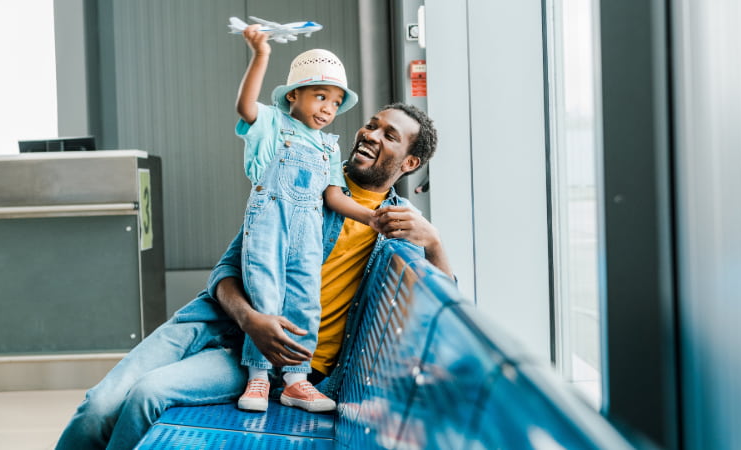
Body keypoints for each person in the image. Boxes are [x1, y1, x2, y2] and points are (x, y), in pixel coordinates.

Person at [54, 102, 451, 450]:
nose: (369, 134)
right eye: (372, 124)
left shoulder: (398, 228)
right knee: (99, 405)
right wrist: (250, 319)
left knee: (147, 394)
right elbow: (226, 270)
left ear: (410, 163)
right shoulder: (301, 176)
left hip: (276, 364)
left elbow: (444, 310)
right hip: (219, 321)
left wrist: (434, 243)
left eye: (389, 135)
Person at [233, 25, 376, 414]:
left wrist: (371, 217)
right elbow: (245, 107)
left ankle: (296, 380)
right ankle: (259, 377)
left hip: (309, 232)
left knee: (304, 300)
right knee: (265, 294)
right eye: (319, 96)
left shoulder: (329, 146)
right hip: (268, 224)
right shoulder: (271, 125)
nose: (328, 108)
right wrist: (261, 55)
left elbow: (332, 196)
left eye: (335, 101)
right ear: (293, 95)